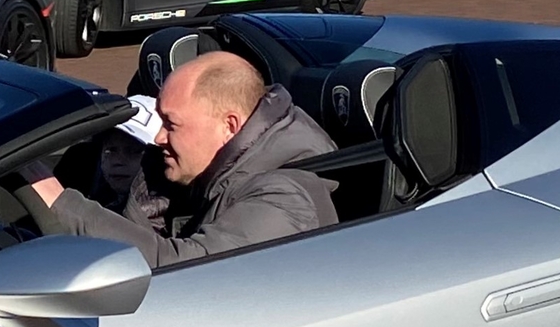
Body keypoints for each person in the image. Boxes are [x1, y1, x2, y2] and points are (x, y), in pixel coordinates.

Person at [27, 51, 337, 267]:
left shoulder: (285, 197)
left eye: (172, 124)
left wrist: (63, 205)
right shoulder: (209, 176)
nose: (159, 138)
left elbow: (185, 268)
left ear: (229, 126)